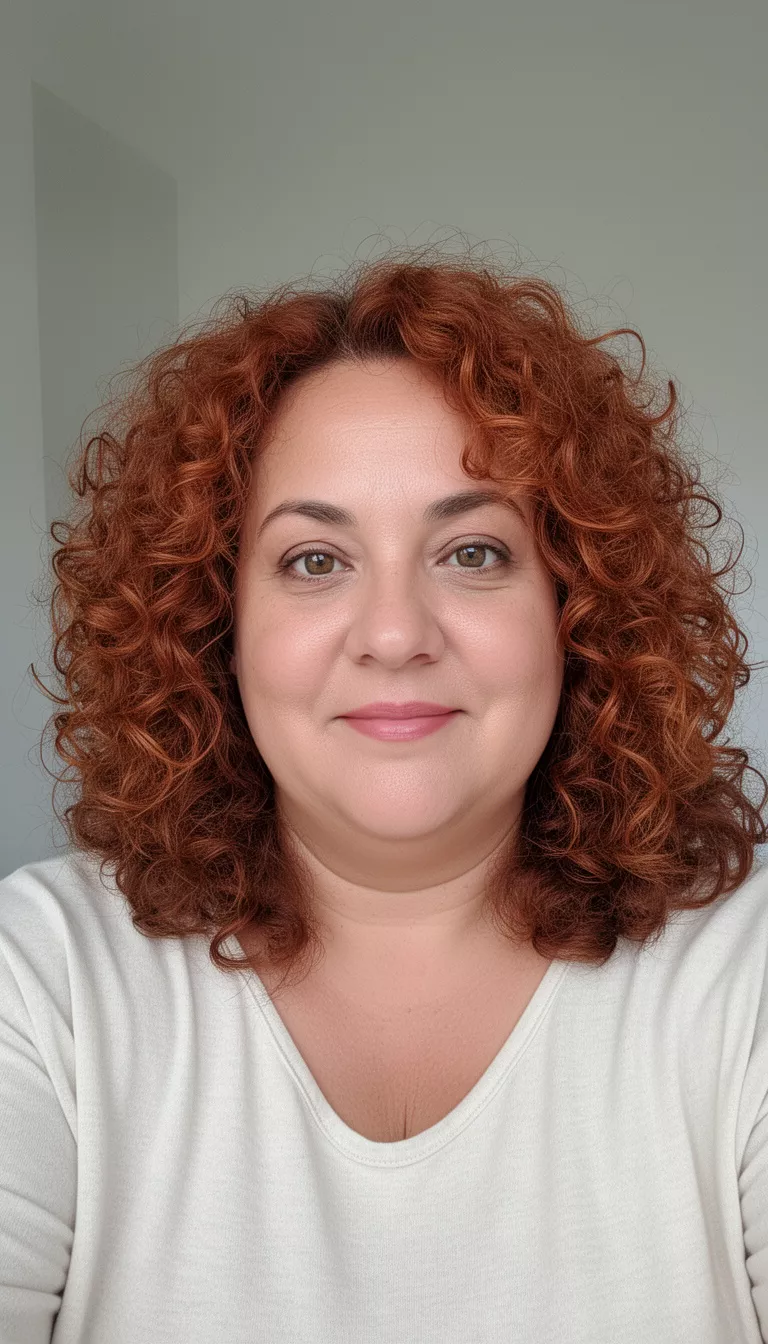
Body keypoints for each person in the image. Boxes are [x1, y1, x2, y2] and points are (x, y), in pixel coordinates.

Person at [1, 248, 767, 1343]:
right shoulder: (43, 983)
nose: (397, 634)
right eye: (315, 561)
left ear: (576, 605)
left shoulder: (744, 980)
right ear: (217, 620)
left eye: (472, 551)